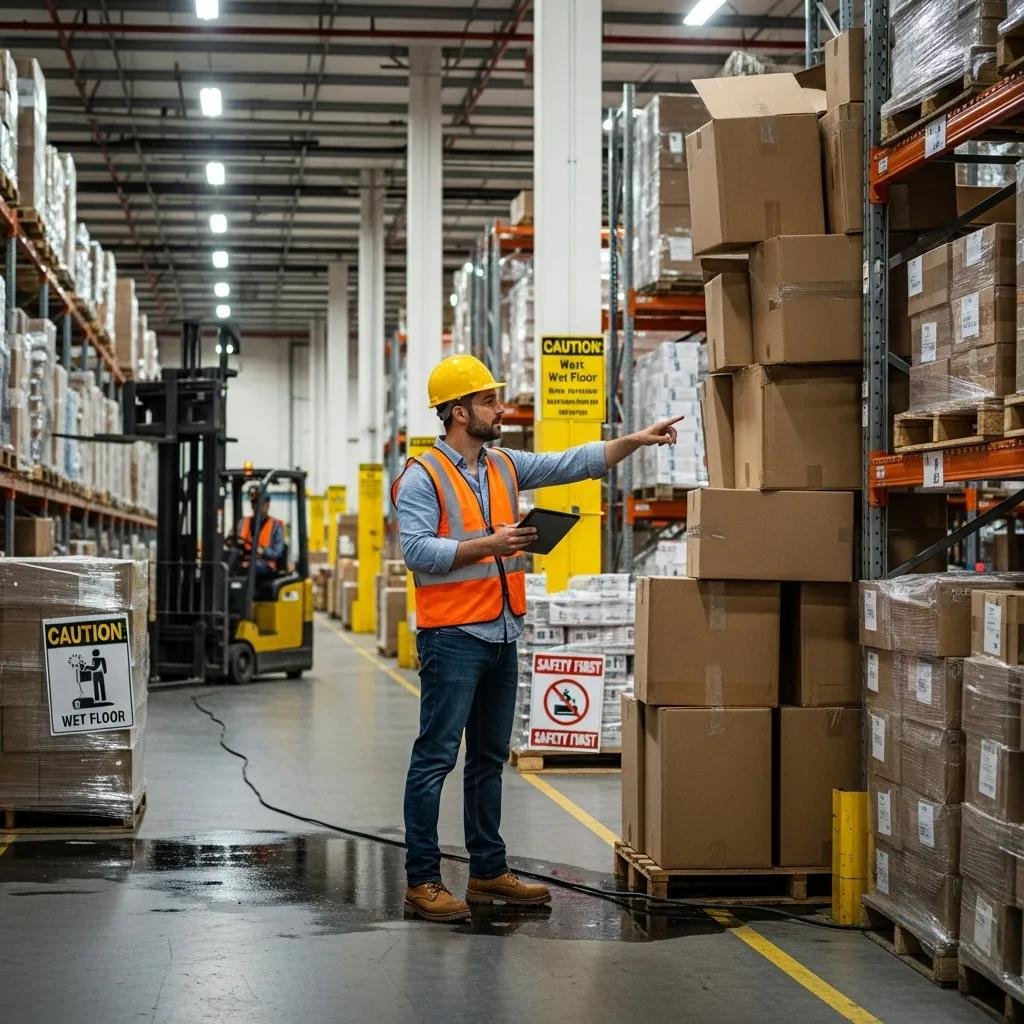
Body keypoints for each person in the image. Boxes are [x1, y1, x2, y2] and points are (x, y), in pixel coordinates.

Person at [392, 354, 686, 923]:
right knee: (434, 759)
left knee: (487, 760)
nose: (499, 409)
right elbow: (417, 553)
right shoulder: (421, 477)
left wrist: (636, 439)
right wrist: (491, 544)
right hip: (452, 637)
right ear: (457, 412)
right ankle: (422, 880)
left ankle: (487, 870)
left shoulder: (502, 464)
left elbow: (571, 462)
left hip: (502, 631)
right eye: (486, 401)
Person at [238, 484, 286, 582]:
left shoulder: (276, 525)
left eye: (262, 502)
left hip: (266, 564)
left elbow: (277, 552)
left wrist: (262, 552)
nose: (256, 505)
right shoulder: (243, 523)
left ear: (267, 504)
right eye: (254, 502)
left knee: (252, 567)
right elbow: (234, 540)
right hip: (246, 560)